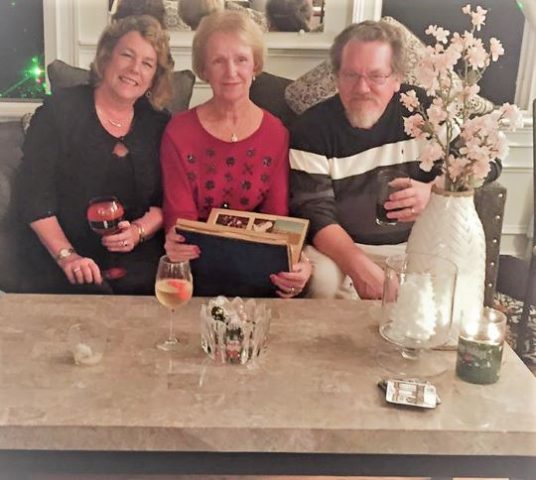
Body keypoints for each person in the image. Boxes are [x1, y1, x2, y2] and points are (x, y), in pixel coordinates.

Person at [289, 20, 502, 300]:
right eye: (351, 75)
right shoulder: (311, 129)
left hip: (418, 244)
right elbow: (315, 213)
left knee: (445, 289)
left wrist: (436, 191)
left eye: (376, 76)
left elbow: (488, 156)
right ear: (337, 77)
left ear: (397, 78)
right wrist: (360, 268)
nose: (362, 88)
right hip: (343, 249)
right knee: (324, 281)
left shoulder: (424, 111)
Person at [18, 14, 174, 295]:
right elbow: (33, 195)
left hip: (134, 254)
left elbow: (168, 199)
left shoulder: (159, 123)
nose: (134, 69)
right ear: (106, 58)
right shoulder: (61, 111)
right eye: (127, 55)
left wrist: (139, 231)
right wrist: (68, 256)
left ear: (154, 78)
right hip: (61, 247)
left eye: (147, 64)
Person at [161, 10, 311, 298]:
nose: (231, 72)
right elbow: (180, 221)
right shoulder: (178, 132)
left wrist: (296, 264)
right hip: (197, 267)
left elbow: (277, 219)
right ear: (204, 68)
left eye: (241, 59)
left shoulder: (276, 133)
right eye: (218, 60)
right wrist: (175, 241)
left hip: (258, 269)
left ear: (255, 64)